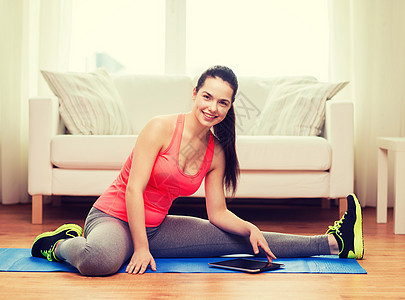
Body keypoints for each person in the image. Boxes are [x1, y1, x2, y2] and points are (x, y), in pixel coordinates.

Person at [31, 66, 364, 276]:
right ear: (194, 94)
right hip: (113, 216)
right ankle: (59, 243)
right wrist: (141, 249)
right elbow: (133, 190)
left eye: (223, 102)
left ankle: (334, 242)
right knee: (99, 262)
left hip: (157, 227)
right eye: (207, 96)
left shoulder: (216, 151)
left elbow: (217, 212)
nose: (212, 107)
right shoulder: (159, 127)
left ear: (230, 107)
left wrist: (248, 227)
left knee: (245, 239)